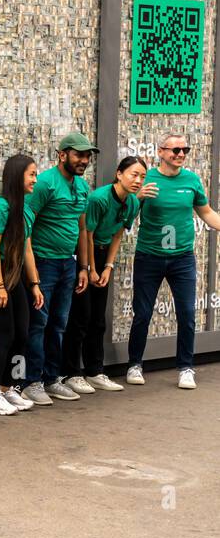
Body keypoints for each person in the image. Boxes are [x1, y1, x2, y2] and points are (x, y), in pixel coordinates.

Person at [126, 133, 220, 390]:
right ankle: (135, 363)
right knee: (142, 313)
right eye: (175, 150)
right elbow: (126, 215)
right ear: (161, 151)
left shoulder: (191, 180)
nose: (180, 154)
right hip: (149, 256)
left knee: (187, 314)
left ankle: (186, 367)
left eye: (184, 150)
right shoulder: (146, 178)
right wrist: (139, 197)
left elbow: (206, 212)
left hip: (182, 259)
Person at [59, 156, 146, 393]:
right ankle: (70, 373)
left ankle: (95, 370)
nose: (138, 180)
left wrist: (108, 267)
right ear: (119, 174)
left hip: (103, 255)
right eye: (133, 174)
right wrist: (90, 269)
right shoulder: (98, 199)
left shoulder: (134, 203)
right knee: (80, 317)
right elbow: (86, 233)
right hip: (84, 254)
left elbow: (118, 234)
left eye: (142, 176)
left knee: (98, 319)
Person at [21, 132, 95, 406]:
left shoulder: (83, 187)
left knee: (59, 324)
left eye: (87, 155)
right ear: (62, 154)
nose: (84, 160)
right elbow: (26, 225)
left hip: (68, 263)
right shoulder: (45, 184)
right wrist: (31, 274)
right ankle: (32, 382)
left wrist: (84, 267)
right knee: (39, 323)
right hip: (43, 262)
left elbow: (82, 228)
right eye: (78, 154)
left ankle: (53, 379)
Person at [0, 154, 45, 415]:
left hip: (16, 279)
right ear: (17, 176)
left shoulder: (26, 210)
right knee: (4, 337)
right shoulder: (0, 207)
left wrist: (35, 284)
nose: (35, 180)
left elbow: (27, 250)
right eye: (31, 174)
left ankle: (8, 389)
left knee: (22, 336)